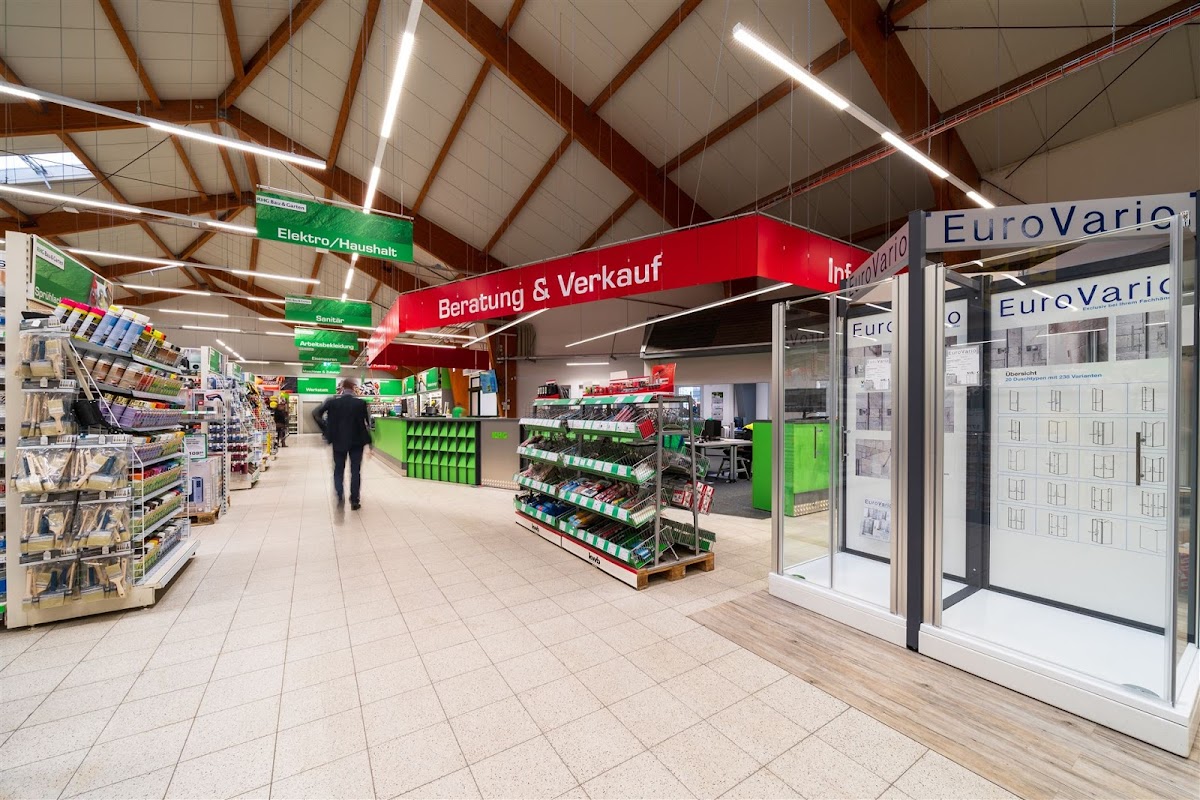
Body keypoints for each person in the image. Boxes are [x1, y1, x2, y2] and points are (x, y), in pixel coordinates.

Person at [311, 378, 373, 510]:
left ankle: (339, 496)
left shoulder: (332, 402)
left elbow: (315, 414)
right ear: (353, 388)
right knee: (355, 471)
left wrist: (326, 429)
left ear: (342, 388)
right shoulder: (360, 403)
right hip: (357, 442)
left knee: (338, 470)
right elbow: (366, 424)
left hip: (338, 441)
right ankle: (354, 500)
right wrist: (369, 442)